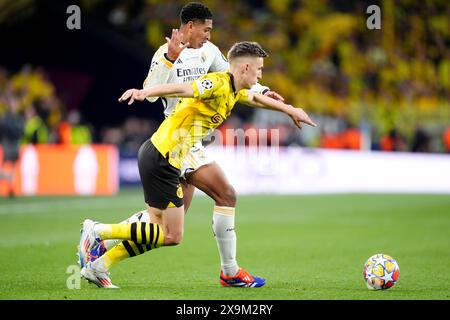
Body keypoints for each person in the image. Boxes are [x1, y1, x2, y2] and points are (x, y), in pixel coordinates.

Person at [79, 2, 286, 287]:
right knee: (176, 224)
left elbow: (236, 78)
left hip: (192, 142)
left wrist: (263, 91)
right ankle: (101, 238)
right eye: (206, 29)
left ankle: (102, 253)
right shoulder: (163, 53)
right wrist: (168, 58)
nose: (209, 35)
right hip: (174, 138)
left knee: (186, 216)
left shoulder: (209, 53)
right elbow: (150, 94)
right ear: (190, 26)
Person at [0, 96, 25, 198]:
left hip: (15, 143)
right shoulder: (5, 118)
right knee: (5, 165)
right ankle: (8, 179)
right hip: (7, 143)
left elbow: (21, 131)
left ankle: (11, 188)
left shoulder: (18, 118)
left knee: (14, 167)